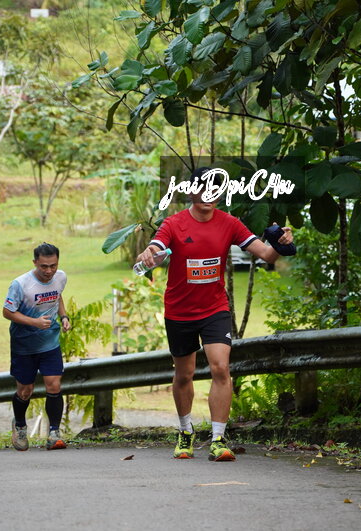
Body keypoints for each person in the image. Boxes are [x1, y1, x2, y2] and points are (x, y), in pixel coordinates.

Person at [136, 168, 295, 462]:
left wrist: (280, 243)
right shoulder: (174, 223)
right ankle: (185, 431)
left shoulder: (229, 223)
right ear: (191, 192)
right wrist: (149, 252)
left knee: (221, 368)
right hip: (180, 311)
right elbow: (157, 245)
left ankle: (218, 439)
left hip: (214, 309)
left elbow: (266, 255)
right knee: (184, 374)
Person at [3, 242, 71, 451]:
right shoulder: (20, 284)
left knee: (54, 385)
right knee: (25, 391)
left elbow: (57, 296)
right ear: (35, 263)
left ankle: (54, 433)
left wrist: (64, 316)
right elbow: (7, 312)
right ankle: (20, 426)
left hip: (50, 342)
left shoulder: (60, 277)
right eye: (44, 266)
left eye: (53, 266)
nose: (49, 271)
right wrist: (34, 322)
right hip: (24, 345)